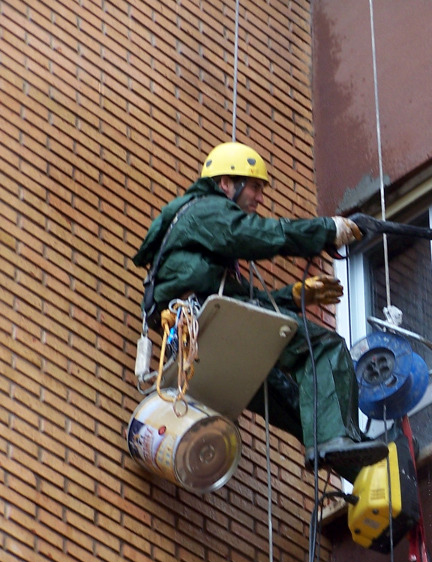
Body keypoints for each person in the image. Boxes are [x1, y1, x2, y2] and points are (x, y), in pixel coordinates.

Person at [132, 141, 387, 473]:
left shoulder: (199, 238)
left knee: (293, 399)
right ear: (226, 183)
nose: (260, 197)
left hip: (202, 330)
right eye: (253, 186)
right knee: (324, 347)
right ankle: (337, 441)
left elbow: (239, 296)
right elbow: (259, 235)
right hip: (203, 319)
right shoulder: (206, 208)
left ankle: (348, 463)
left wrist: (291, 296)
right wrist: (327, 230)